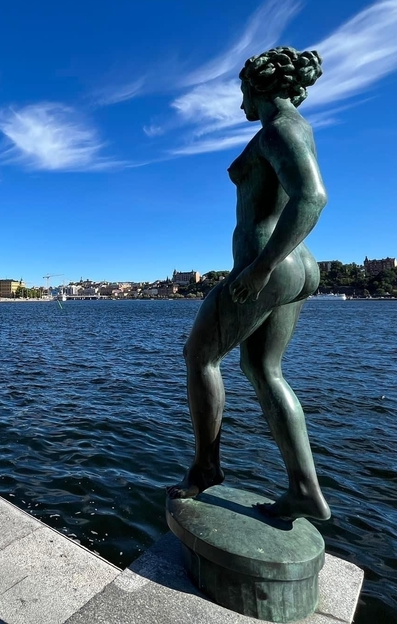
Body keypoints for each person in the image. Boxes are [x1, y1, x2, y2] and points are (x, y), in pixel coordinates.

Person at [168, 47, 332, 522]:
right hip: (297, 267)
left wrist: (260, 268)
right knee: (263, 369)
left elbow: (312, 197)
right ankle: (304, 489)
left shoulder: (280, 129)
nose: (240, 101)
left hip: (268, 266)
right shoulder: (293, 128)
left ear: (257, 86)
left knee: (199, 355)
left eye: (242, 91)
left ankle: (206, 467)